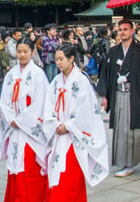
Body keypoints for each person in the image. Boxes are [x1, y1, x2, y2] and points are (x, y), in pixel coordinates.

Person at [43, 44, 109, 201]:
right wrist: (53, 123)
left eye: (61, 59)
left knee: (70, 178)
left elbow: (86, 112)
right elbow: (48, 105)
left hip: (74, 136)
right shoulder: (56, 81)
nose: (58, 63)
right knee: (56, 174)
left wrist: (68, 125)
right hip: (58, 134)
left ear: (71, 59)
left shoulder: (81, 81)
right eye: (56, 59)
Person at [97, 18, 140, 178]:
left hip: (135, 94)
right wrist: (105, 95)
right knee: (121, 129)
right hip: (118, 93)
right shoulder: (113, 51)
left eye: (125, 29)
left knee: (136, 129)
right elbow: (106, 73)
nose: (122, 32)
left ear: (132, 31)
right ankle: (127, 163)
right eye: (120, 29)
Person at [0, 37, 49, 202]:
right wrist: (11, 118)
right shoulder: (11, 75)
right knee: (16, 165)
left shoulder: (38, 74)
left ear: (33, 52)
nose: (22, 55)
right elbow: (4, 100)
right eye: (19, 51)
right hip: (15, 128)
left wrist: (21, 120)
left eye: (25, 51)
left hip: (30, 130)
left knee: (30, 167)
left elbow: (40, 103)